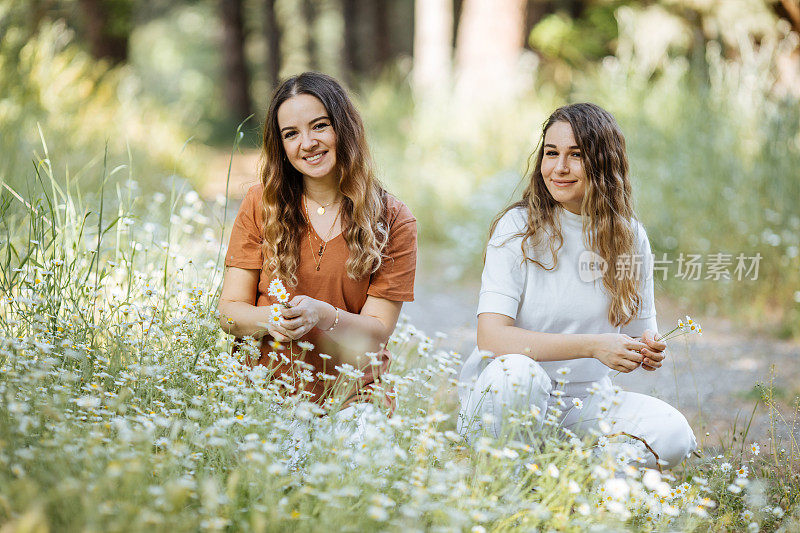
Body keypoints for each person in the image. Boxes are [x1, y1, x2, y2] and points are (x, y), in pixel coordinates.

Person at [457, 103, 696, 470]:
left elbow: (638, 332)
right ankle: (509, 478)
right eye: (551, 153)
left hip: (584, 404)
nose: (559, 168)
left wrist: (649, 349)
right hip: (507, 397)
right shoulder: (517, 229)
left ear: (603, 162)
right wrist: (592, 345)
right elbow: (491, 338)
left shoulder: (629, 236)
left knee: (672, 435)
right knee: (520, 373)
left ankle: (567, 474)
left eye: (576, 155)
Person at [218, 72, 417, 427]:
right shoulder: (260, 204)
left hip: (353, 398)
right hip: (266, 393)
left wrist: (323, 316)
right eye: (291, 134)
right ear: (281, 145)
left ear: (344, 128)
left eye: (319, 126)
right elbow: (229, 313)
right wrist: (273, 319)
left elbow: (377, 331)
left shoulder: (393, 219)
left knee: (357, 459)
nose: (307, 143)